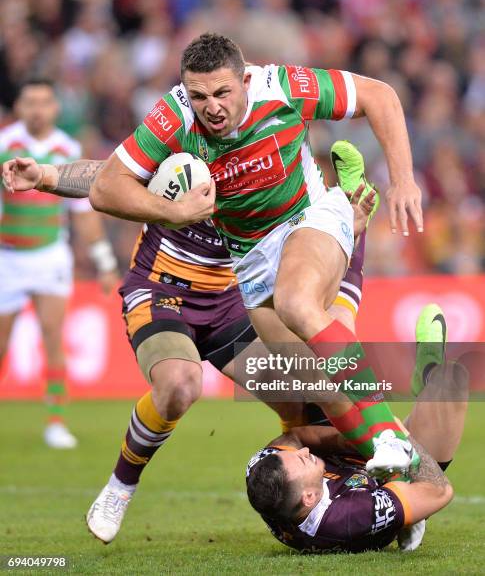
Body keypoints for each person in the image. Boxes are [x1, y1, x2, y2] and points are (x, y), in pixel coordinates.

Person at [4, 135, 391, 542]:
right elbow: (109, 176)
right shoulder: (183, 148)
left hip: (228, 304)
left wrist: (350, 219)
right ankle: (121, 485)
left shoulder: (268, 176)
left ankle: (343, 499)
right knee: (179, 384)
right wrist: (45, 175)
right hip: (160, 292)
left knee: (306, 393)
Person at [246, 304, 467, 554]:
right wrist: (397, 435)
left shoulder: (264, 471)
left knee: (330, 384)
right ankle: (428, 378)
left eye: (296, 454)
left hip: (359, 449)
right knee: (452, 380)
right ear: (309, 497)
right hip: (397, 482)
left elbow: (296, 436)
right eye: (304, 460)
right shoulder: (347, 518)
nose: (305, 451)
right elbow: (440, 490)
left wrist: (361, 440)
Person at [0, 79, 119, 449]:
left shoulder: (66, 149)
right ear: (19, 106)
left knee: (53, 338)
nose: (37, 109)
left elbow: (82, 211)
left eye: (45, 102)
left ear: (55, 108)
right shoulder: (5, 144)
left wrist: (103, 262)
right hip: (8, 256)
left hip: (50, 254)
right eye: (30, 101)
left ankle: (55, 422)